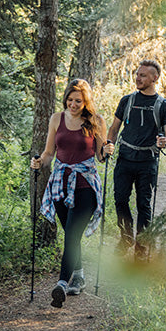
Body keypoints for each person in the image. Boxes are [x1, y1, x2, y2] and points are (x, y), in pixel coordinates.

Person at [31, 79, 113, 308]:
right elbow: (49, 153)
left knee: (71, 235)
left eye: (78, 100)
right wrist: (39, 162)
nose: (73, 104)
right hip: (60, 183)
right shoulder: (57, 119)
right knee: (69, 233)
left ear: (86, 102)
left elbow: (100, 156)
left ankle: (62, 284)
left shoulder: (96, 121)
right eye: (70, 99)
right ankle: (79, 275)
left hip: (85, 185)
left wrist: (107, 150)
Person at [106, 59, 166, 260]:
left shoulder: (162, 105)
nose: (138, 78)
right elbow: (114, 128)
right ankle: (126, 236)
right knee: (120, 200)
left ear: (155, 78)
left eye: (143, 75)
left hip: (148, 161)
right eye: (137, 74)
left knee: (144, 205)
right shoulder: (127, 101)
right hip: (125, 159)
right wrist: (108, 145)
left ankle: (141, 247)